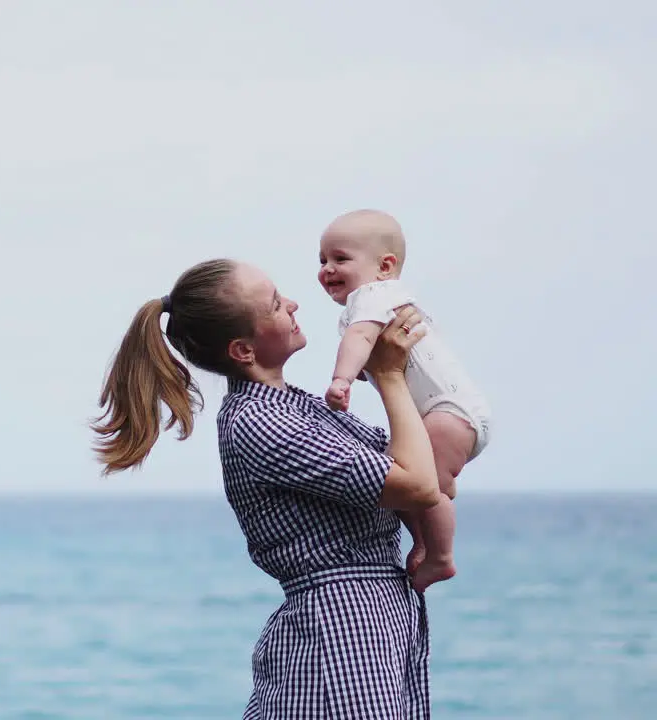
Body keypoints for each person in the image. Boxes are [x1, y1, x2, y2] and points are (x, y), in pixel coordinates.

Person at [91, 258, 443, 719]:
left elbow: (420, 464)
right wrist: (391, 375)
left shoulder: (299, 407)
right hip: (342, 632)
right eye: (276, 304)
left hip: (367, 622)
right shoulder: (260, 423)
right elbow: (417, 485)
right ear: (242, 350)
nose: (294, 303)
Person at [318, 209, 492, 593]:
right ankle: (426, 544)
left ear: (384, 266)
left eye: (340, 258)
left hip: (448, 413)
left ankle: (440, 557)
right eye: (323, 260)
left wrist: (341, 380)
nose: (327, 268)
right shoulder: (381, 302)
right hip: (449, 414)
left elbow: (361, 341)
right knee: (402, 484)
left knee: (426, 489)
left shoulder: (373, 296)